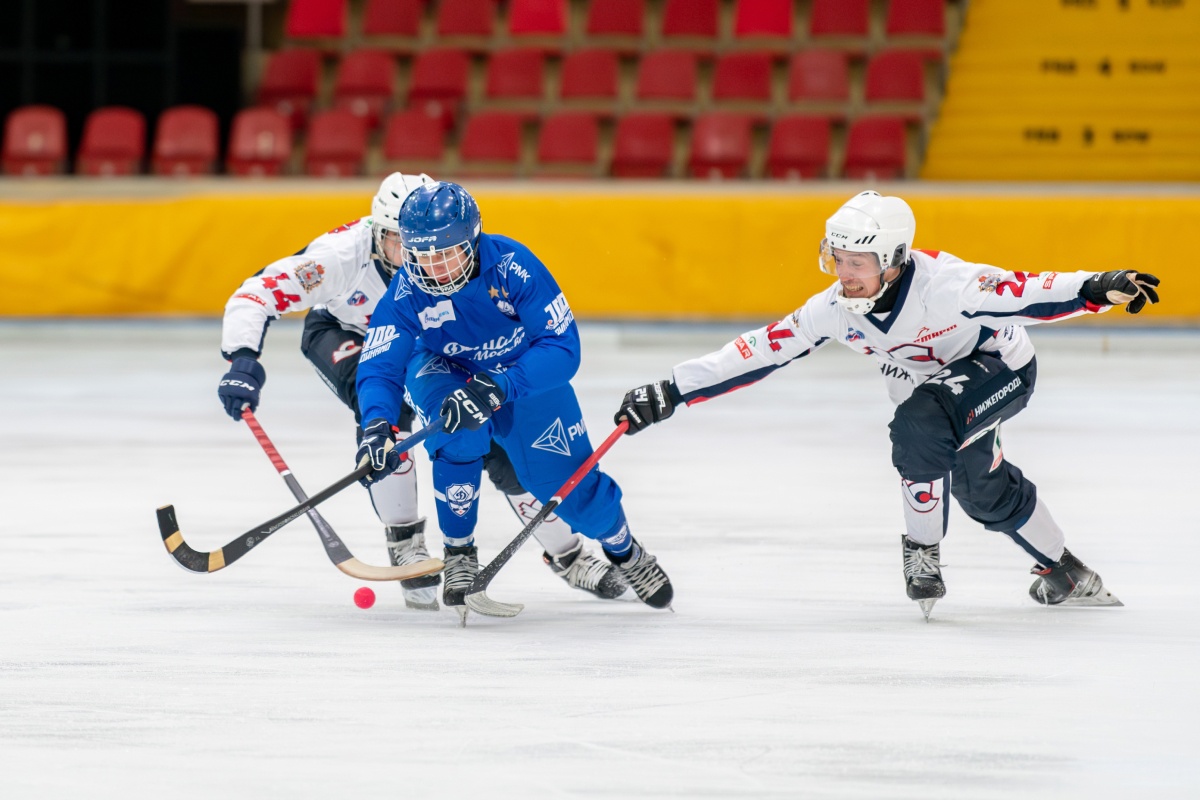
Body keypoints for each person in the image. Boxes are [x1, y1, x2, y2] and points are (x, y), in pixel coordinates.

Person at [614, 190, 1160, 620]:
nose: (843, 274)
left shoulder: (951, 286)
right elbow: (761, 348)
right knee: (979, 487)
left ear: (895, 260)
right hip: (934, 391)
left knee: (918, 424)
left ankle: (922, 553)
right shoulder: (836, 307)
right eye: (837, 259)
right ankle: (1064, 570)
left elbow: (1029, 290)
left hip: (1001, 370)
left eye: (858, 262)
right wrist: (672, 390)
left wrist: (1097, 286)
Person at [217, 173, 627, 611]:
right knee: (384, 417)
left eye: (428, 244)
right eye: (398, 242)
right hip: (347, 333)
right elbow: (257, 291)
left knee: (501, 449)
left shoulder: (453, 260)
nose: (418, 256)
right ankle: (405, 541)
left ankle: (566, 553)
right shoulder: (338, 258)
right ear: (375, 235)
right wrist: (243, 358)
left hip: (424, 347)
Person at [353, 181, 674, 620]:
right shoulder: (407, 292)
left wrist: (502, 385)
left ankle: (625, 549)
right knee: (457, 429)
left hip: (520, 371)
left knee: (572, 491)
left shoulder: (513, 267)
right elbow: (379, 367)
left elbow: (563, 348)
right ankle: (459, 553)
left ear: (473, 240)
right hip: (444, 367)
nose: (434, 270)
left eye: (445, 255)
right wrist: (376, 425)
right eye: (422, 257)